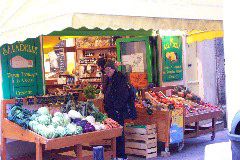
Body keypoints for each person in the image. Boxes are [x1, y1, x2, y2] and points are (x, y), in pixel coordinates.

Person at [103, 60, 129, 160]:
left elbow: (123, 95)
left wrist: (117, 108)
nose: (107, 72)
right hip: (111, 110)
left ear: (114, 69)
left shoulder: (119, 79)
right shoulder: (109, 79)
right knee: (114, 134)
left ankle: (121, 155)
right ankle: (116, 155)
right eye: (106, 70)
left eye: (109, 69)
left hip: (118, 111)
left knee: (119, 133)